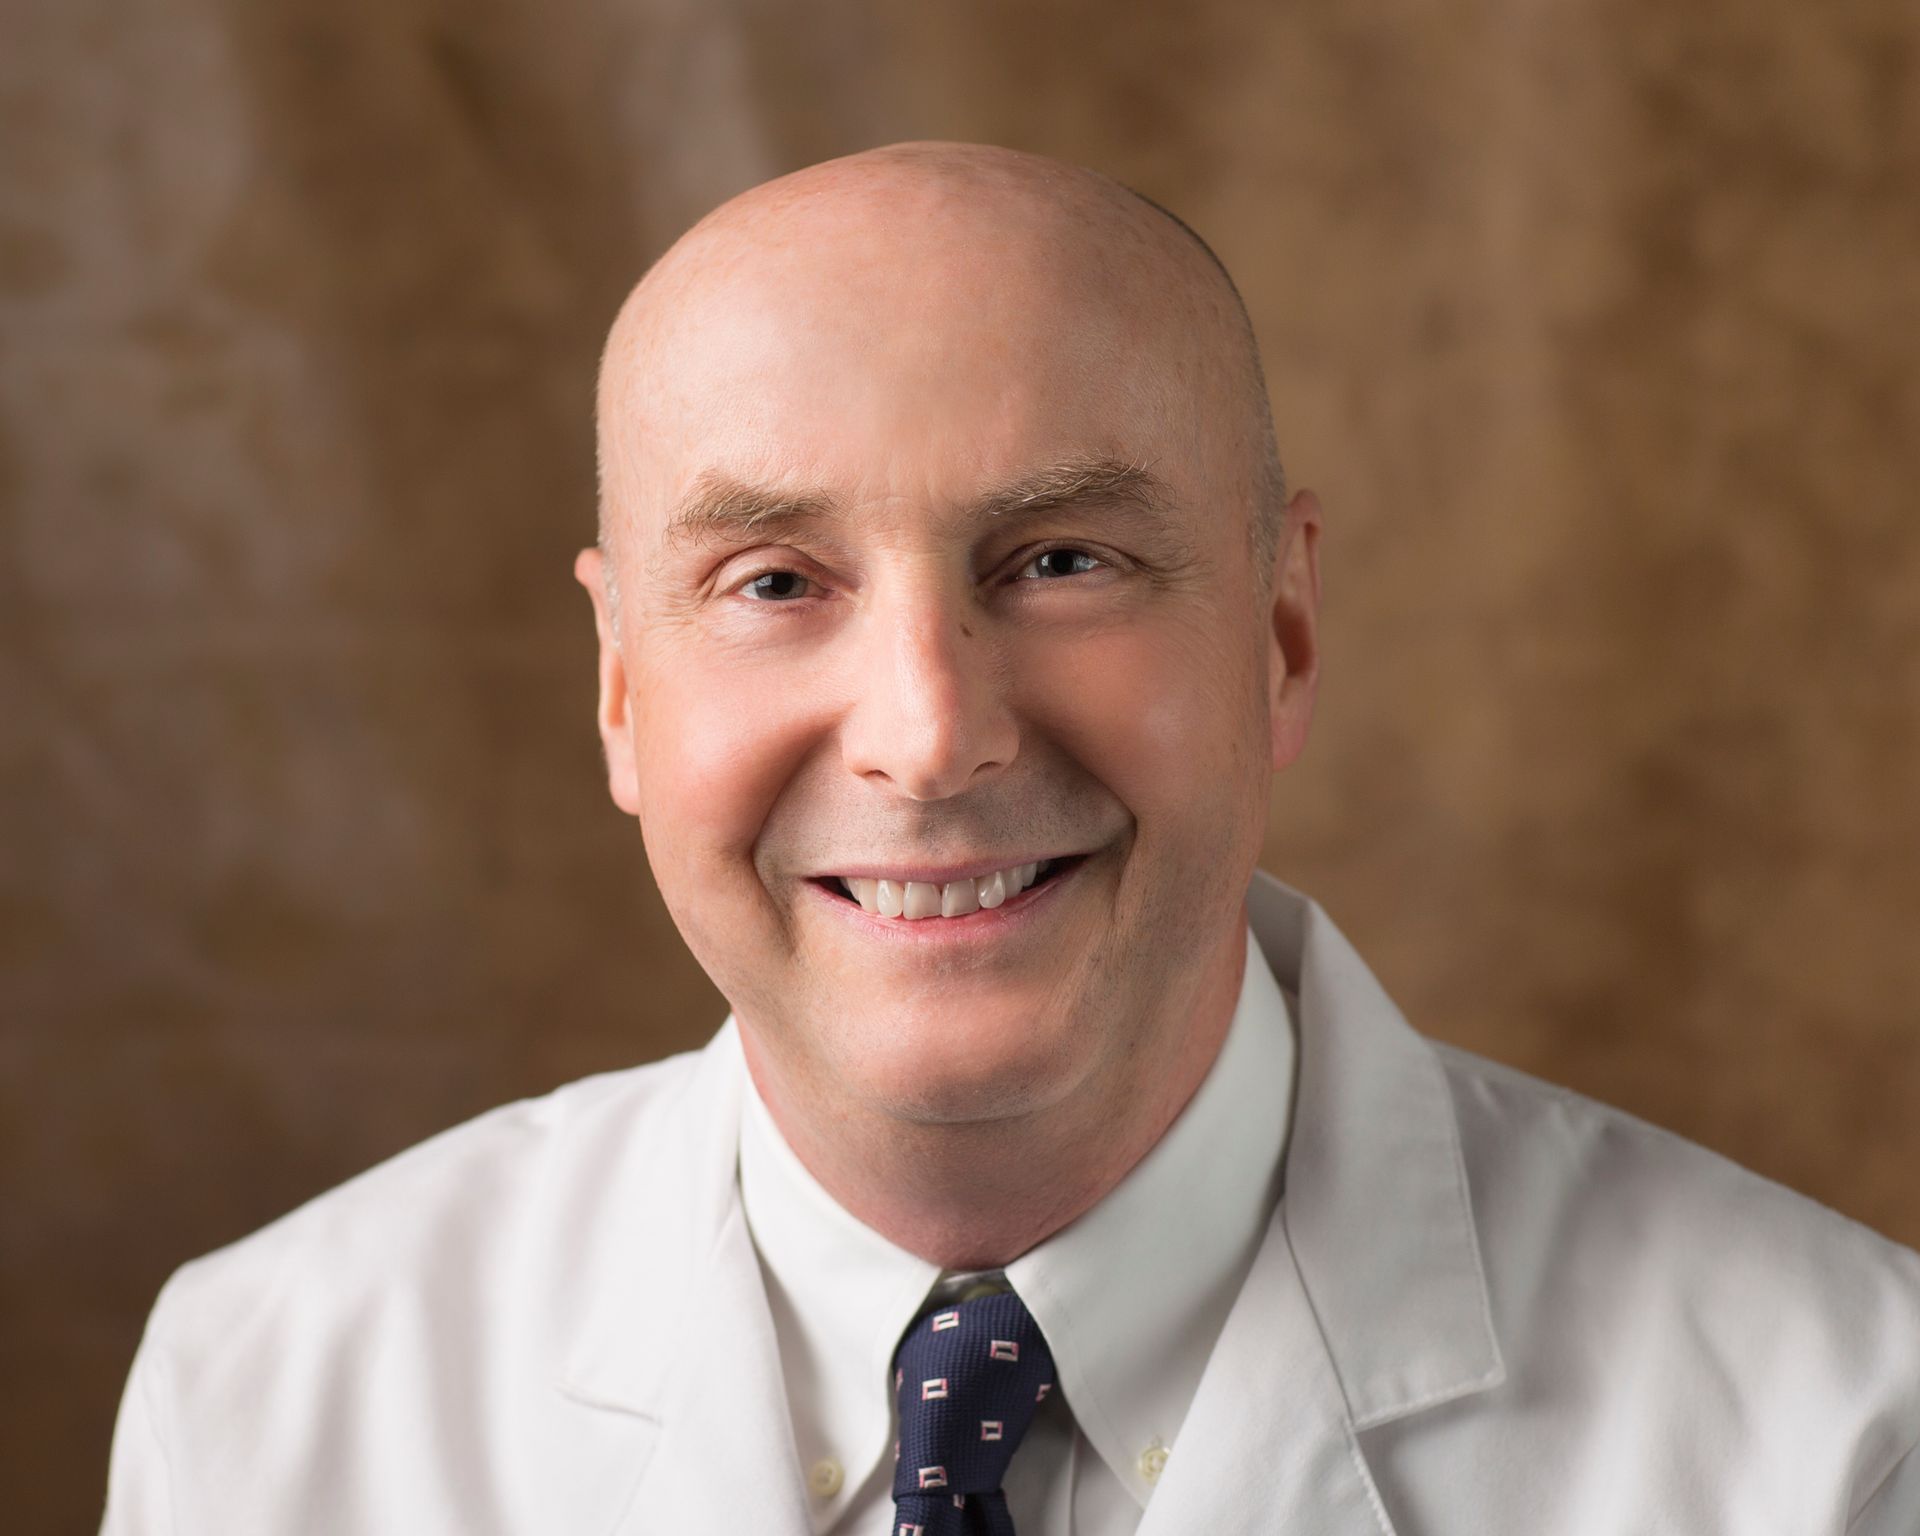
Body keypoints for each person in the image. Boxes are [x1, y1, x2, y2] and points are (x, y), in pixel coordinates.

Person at [100, 142, 1920, 1535]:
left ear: (1280, 636)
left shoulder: (1842, 1432)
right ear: (620, 693)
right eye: (775, 581)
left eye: (1062, 562)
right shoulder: (272, 1406)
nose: (931, 730)